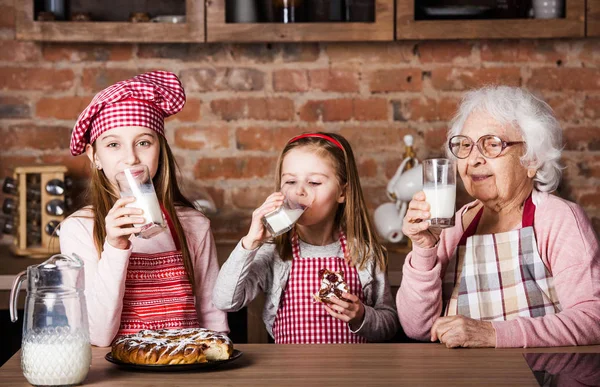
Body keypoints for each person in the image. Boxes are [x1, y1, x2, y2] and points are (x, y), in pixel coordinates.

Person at [397, 86, 600, 348]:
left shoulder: (558, 219)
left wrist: (492, 333)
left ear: (532, 159)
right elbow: (419, 328)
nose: (474, 159)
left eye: (492, 144)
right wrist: (424, 249)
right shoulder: (454, 226)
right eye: (465, 146)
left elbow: (592, 319)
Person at [60, 71, 228, 347]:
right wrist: (114, 246)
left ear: (160, 150)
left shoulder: (195, 224)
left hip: (182, 368)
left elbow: (212, 319)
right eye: (113, 145)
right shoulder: (78, 229)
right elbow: (99, 335)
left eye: (144, 142)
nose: (131, 158)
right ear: (95, 156)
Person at [212, 132, 399, 343]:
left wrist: (361, 316)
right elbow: (225, 301)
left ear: (342, 193)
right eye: (290, 181)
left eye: (314, 182)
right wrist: (250, 242)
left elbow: (389, 325)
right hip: (290, 374)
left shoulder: (365, 253)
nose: (299, 191)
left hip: (350, 374)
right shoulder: (273, 252)